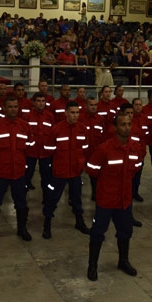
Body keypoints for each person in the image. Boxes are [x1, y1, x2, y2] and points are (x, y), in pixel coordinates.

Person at [86, 113, 143, 281]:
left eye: (128, 124)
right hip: (106, 200)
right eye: (123, 125)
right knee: (98, 233)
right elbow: (92, 169)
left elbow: (137, 166)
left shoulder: (135, 146)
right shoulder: (104, 148)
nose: (127, 127)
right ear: (115, 127)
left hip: (124, 200)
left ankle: (123, 261)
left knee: (125, 232)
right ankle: (92, 266)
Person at [0, 97, 33, 245]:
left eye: (15, 107)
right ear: (4, 108)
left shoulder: (25, 126)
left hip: (18, 173)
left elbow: (29, 145)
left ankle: (22, 229)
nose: (13, 109)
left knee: (21, 204)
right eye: (10, 107)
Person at [42, 101, 90, 239]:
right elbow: (49, 150)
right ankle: (47, 224)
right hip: (59, 172)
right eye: (72, 112)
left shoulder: (82, 129)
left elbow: (85, 149)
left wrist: (80, 164)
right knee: (52, 199)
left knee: (77, 198)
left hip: (75, 171)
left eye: (77, 112)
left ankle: (79, 222)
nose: (75, 116)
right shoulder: (56, 129)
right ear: (66, 113)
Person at [23, 92, 55, 196]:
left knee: (46, 177)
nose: (41, 103)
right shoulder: (27, 116)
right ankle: (24, 194)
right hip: (30, 153)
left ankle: (46, 198)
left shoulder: (50, 116)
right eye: (38, 101)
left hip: (45, 153)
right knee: (26, 175)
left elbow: (52, 134)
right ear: (33, 102)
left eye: (43, 101)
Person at [78, 96, 105, 201]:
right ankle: (75, 197)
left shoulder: (100, 119)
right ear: (86, 106)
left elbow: (102, 136)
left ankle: (95, 194)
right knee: (76, 178)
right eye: (91, 105)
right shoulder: (80, 119)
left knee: (95, 177)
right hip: (81, 153)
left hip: (95, 154)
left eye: (95, 105)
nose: (93, 107)